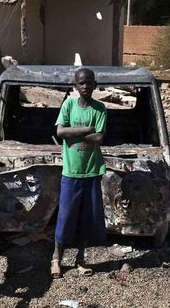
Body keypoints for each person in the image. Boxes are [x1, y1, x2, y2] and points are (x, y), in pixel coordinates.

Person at [51, 67, 107, 278]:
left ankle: (80, 259)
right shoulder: (68, 105)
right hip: (71, 172)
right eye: (81, 83)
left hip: (92, 171)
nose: (85, 86)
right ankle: (56, 258)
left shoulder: (100, 108)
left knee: (87, 217)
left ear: (95, 84)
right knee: (65, 217)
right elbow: (60, 132)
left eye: (89, 82)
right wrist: (86, 130)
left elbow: (100, 138)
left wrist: (73, 134)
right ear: (76, 85)